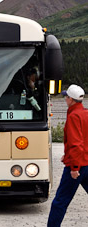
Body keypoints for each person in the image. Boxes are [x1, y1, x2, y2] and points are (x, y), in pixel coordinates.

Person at [48, 84, 88, 226]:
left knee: (60, 201)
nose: (65, 99)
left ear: (71, 99)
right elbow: (84, 140)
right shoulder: (85, 113)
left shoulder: (73, 116)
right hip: (86, 162)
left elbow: (76, 143)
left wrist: (74, 167)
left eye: (66, 96)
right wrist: (67, 154)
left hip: (77, 165)